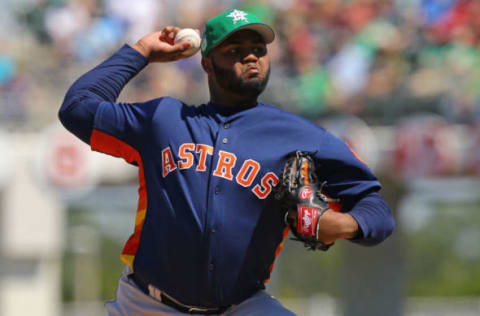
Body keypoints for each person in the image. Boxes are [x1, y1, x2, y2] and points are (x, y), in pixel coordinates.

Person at [59, 8, 395, 316]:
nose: (251, 56)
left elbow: (375, 207)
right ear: (207, 63)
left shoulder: (302, 137)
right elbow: (77, 108)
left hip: (241, 306)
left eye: (258, 49)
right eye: (235, 50)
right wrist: (141, 52)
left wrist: (348, 225)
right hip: (148, 305)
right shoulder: (164, 121)